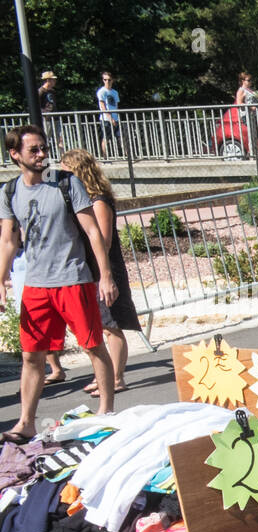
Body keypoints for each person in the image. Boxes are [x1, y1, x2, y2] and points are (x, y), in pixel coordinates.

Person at [0, 126, 118, 443]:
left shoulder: (67, 183)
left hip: (73, 278)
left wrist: (105, 274)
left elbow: (93, 232)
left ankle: (105, 412)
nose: (41, 155)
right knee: (31, 355)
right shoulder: (9, 191)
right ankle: (25, 423)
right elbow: (9, 239)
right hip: (36, 286)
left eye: (43, 148)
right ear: (15, 155)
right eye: (33, 150)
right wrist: (1, 278)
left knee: (93, 345)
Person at [58, 149, 139, 395]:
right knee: (97, 324)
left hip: (105, 268)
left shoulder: (99, 200)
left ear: (78, 171)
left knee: (111, 324)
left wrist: (102, 272)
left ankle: (116, 377)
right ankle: (104, 375)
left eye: (66, 170)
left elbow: (103, 240)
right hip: (88, 269)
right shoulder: (80, 200)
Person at [96, 71, 121, 160]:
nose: (107, 81)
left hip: (115, 118)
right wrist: (110, 118)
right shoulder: (101, 91)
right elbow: (102, 106)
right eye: (105, 79)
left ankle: (127, 156)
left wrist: (116, 118)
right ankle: (105, 157)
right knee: (106, 138)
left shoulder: (115, 92)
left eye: (109, 80)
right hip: (105, 119)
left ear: (112, 80)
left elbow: (116, 106)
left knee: (121, 137)